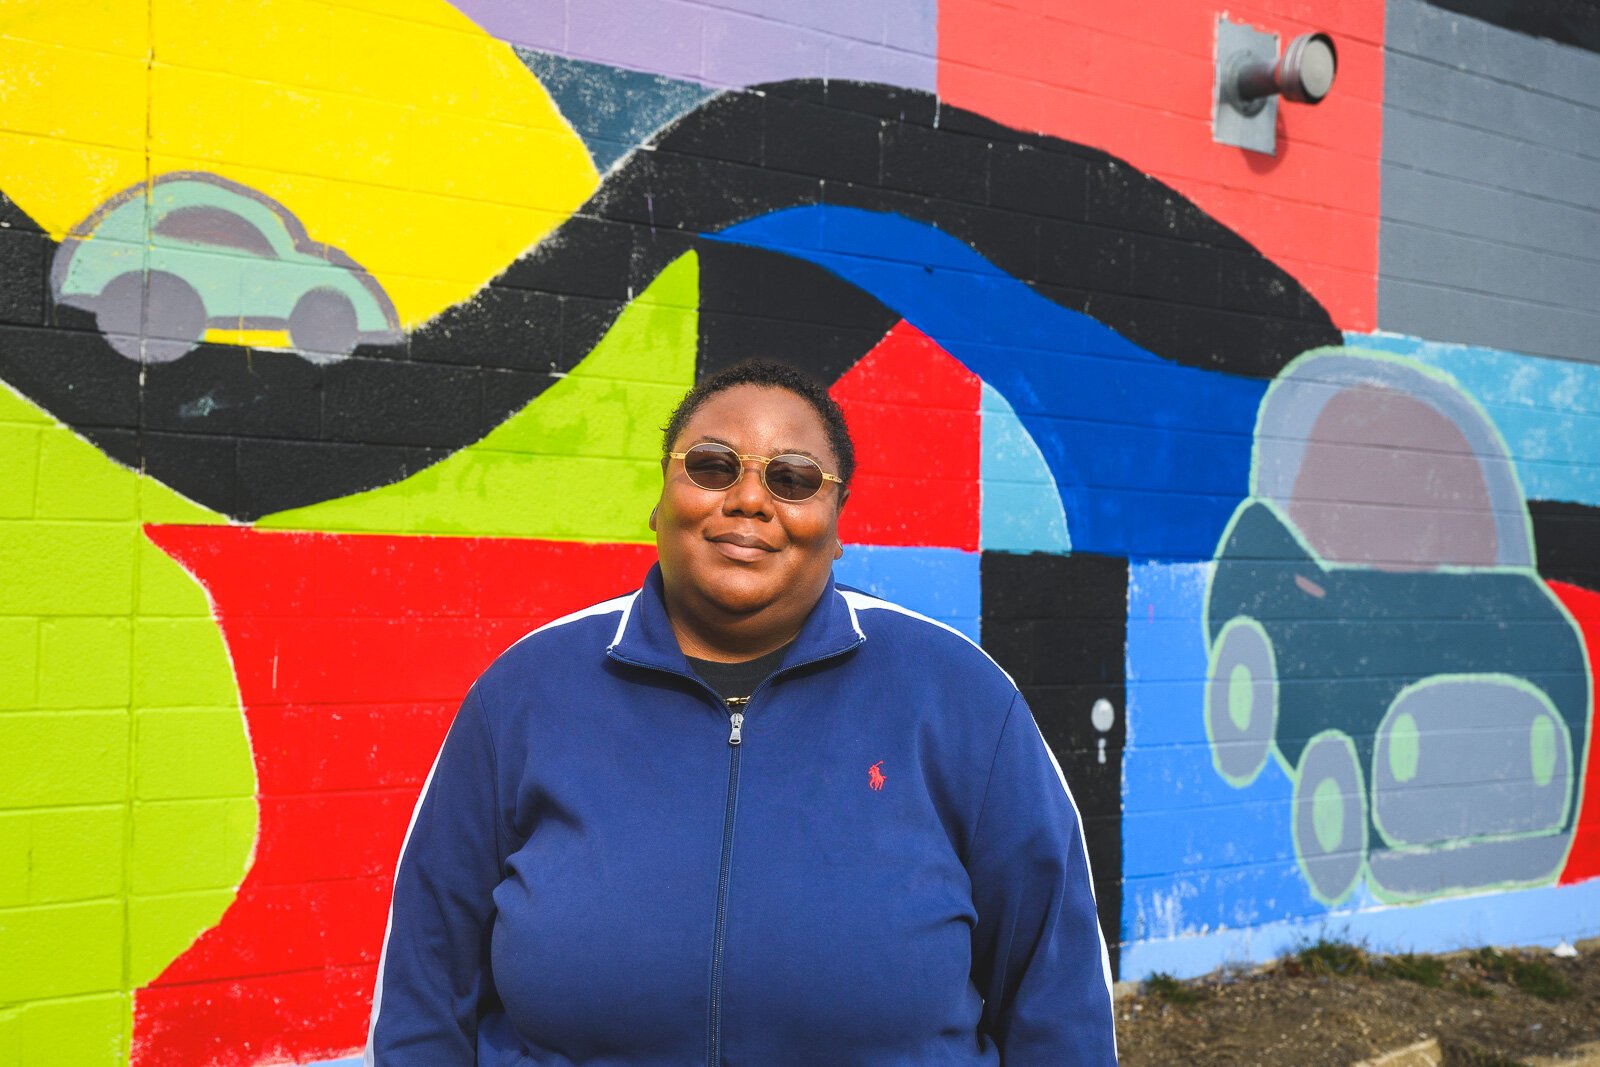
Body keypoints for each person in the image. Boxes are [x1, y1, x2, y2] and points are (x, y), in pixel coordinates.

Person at [364, 360, 1118, 1065]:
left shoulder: (962, 699)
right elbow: (426, 988)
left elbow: (1056, 994)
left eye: (792, 478)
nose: (749, 498)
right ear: (662, 496)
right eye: (713, 465)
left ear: (837, 518)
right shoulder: (525, 691)